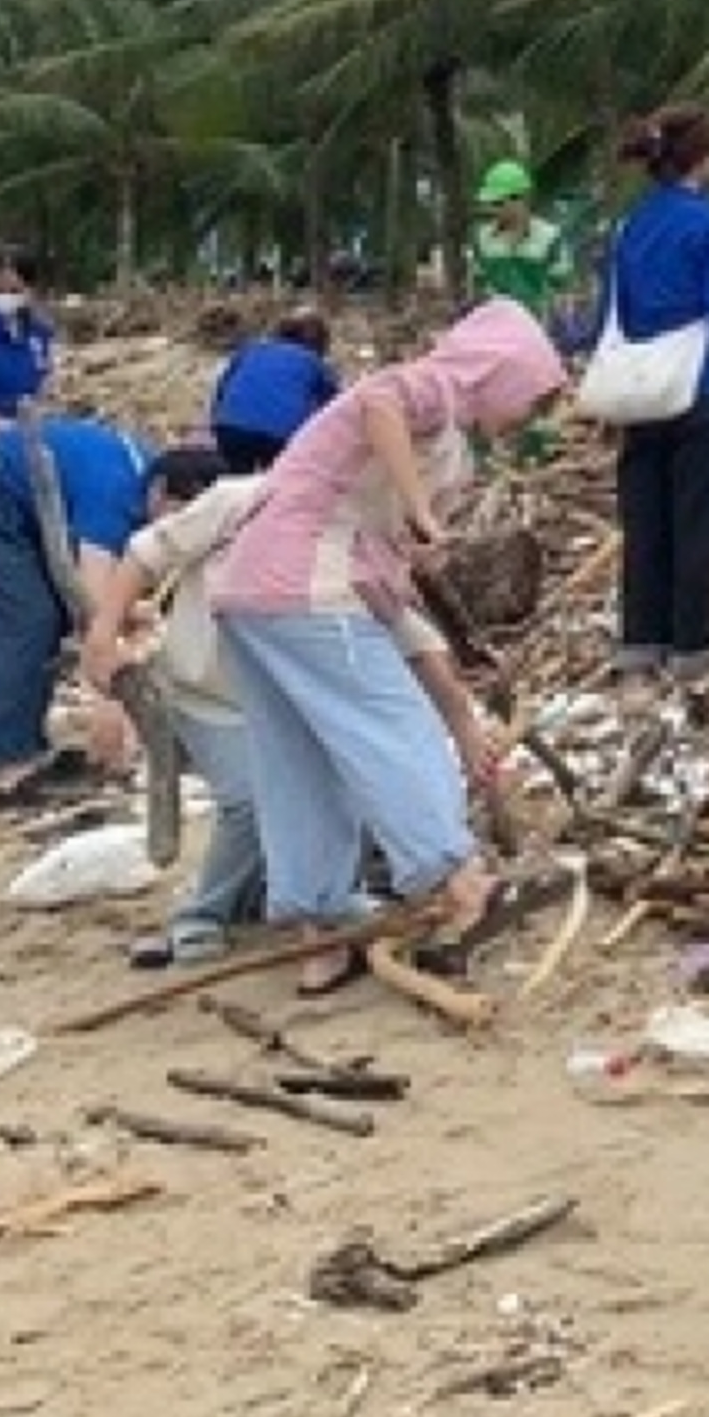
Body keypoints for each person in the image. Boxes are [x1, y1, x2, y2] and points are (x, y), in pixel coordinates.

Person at [208, 302, 559, 989]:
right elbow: (378, 401)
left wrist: (459, 705)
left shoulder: (442, 437)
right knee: (396, 733)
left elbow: (394, 594)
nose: (527, 419)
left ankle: (319, 938)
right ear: (503, 372)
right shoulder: (435, 387)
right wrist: (421, 509)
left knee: (300, 764)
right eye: (531, 399)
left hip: (250, 591)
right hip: (310, 584)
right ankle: (461, 884)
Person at [78, 447, 272, 965]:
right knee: (247, 801)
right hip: (207, 692)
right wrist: (105, 641)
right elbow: (143, 559)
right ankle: (202, 913)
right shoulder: (236, 504)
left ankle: (261, 897)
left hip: (280, 697)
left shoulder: (358, 518)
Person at [604, 104, 709, 680]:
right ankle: (693, 648)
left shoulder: (630, 227)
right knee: (701, 521)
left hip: (642, 390)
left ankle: (640, 642)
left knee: (645, 520)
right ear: (701, 157)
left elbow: (615, 314)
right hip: (705, 388)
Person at [0, 410, 147, 768]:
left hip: (1, 480)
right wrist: (109, 704)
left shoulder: (139, 467)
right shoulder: (116, 497)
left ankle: (11, 734)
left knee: (19, 615)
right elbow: (90, 605)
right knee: (25, 618)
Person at [207, 309, 341, 475]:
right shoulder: (315, 364)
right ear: (321, 343)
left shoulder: (250, 350)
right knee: (276, 484)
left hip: (229, 427)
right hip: (278, 436)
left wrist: (216, 422)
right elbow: (335, 408)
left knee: (236, 479)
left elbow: (222, 389)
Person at [468, 162, 575, 319]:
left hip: (536, 330)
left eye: (498, 203)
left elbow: (562, 290)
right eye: (490, 204)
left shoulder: (551, 238)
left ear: (521, 200)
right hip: (494, 329)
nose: (491, 209)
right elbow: (477, 288)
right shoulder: (481, 238)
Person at [0, 247, 56, 433]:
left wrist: (39, 409)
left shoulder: (38, 332)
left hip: (28, 429)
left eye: (14, 290)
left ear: (29, 289)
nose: (5, 296)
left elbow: (45, 377)